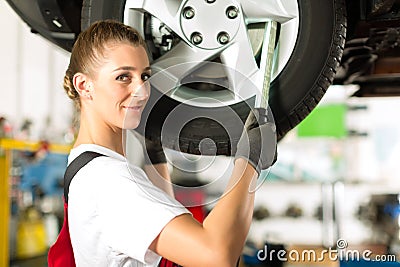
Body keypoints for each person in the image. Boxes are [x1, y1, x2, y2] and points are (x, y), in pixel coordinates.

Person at [63, 19, 276, 267]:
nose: (142, 91)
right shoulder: (109, 180)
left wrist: (156, 157)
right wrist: (250, 161)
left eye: (144, 76)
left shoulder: (87, 167)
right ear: (83, 85)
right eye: (123, 77)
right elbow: (217, 255)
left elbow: (163, 240)